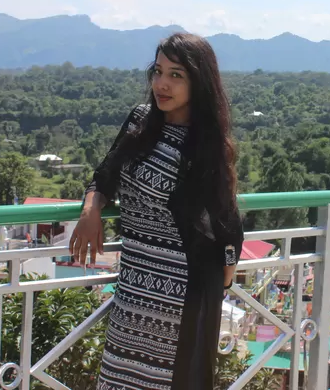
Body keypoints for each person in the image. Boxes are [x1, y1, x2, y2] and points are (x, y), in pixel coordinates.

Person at [69, 33, 244, 390]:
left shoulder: (207, 145)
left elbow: (227, 225)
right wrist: (91, 209)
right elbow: (105, 175)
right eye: (158, 71)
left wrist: (223, 282)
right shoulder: (141, 121)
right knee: (121, 377)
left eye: (176, 75)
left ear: (199, 81)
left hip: (183, 294)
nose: (161, 84)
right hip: (135, 287)